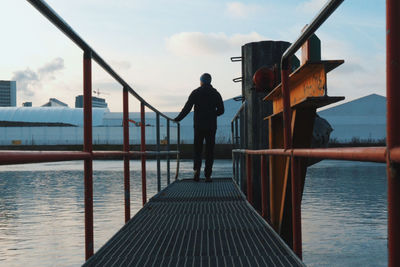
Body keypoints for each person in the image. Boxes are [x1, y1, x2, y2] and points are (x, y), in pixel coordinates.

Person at [174, 73, 224, 182]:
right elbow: (221, 110)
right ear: (210, 81)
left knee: (198, 149)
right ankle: (208, 176)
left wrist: (178, 118)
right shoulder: (215, 93)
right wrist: (213, 114)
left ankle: (196, 171)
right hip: (211, 126)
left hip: (199, 126)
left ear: (201, 81)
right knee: (210, 150)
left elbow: (187, 108)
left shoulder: (196, 92)